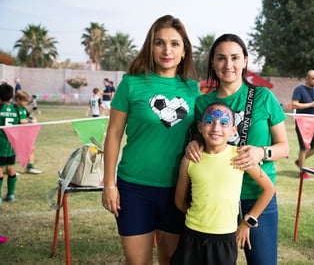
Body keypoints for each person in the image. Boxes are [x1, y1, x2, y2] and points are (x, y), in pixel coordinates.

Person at [101, 15, 199, 265]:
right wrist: (109, 184)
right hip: (134, 188)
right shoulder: (131, 84)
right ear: (150, 47)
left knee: (170, 260)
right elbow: (113, 134)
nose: (167, 50)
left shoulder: (193, 89)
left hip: (177, 189)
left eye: (175, 44)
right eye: (160, 43)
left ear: (184, 50)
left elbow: (203, 133)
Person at [185, 34, 289, 265]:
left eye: (234, 57)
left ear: (245, 60)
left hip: (256, 196)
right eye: (221, 58)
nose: (228, 65)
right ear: (213, 62)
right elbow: (200, 140)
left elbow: (283, 147)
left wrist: (262, 152)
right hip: (215, 200)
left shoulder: (263, 96)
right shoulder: (202, 103)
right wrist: (193, 143)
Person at [171, 102, 275, 265]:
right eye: (209, 121)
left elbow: (269, 189)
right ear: (200, 126)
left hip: (224, 239)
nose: (216, 128)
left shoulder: (240, 156)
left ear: (234, 130)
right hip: (191, 236)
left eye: (224, 123)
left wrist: (248, 222)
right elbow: (179, 201)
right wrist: (201, 218)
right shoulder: (190, 159)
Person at [291, 70, 314, 180]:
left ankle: (300, 161)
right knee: (304, 148)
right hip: (302, 121)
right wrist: (312, 104)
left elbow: (313, 105)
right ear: (307, 78)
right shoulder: (299, 89)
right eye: (313, 78)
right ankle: (302, 172)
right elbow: (294, 105)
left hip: (313, 121)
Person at [0, 83, 20, 205]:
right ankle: (10, 194)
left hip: (0, 145)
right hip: (11, 145)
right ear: (12, 96)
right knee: (11, 167)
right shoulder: (16, 109)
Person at [14, 91, 42, 174]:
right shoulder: (14, 108)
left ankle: (30, 167)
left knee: (32, 148)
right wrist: (29, 121)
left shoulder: (23, 109)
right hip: (16, 134)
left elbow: (29, 116)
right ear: (18, 99)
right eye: (24, 101)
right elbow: (20, 121)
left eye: (27, 101)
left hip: (24, 134)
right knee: (13, 152)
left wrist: (33, 119)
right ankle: (10, 169)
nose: (26, 103)